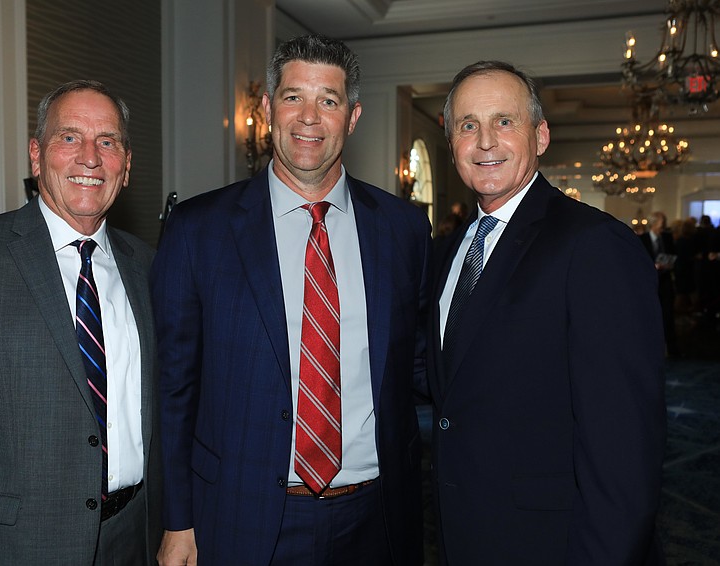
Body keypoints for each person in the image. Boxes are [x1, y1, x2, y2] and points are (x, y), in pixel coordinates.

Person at [151, 34, 430, 565]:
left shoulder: (404, 230)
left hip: (376, 518)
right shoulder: (198, 230)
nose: (309, 117)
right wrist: (177, 520)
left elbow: (416, 361)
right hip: (241, 516)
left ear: (352, 118)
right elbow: (174, 387)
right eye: (293, 96)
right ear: (266, 108)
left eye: (329, 100)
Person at [0, 80, 162, 565]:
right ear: (36, 156)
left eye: (108, 141)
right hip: (12, 549)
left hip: (132, 541)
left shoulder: (148, 267)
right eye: (69, 138)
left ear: (126, 166)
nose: (90, 157)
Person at [427, 61, 666, 564]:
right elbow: (453, 378)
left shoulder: (595, 245)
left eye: (504, 122)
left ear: (541, 136)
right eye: (468, 125)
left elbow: (623, 452)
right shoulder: (452, 249)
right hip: (466, 532)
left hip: (552, 544)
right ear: (452, 145)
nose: (485, 141)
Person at [640, 210, 679, 356]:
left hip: (665, 281)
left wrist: (669, 264)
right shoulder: (642, 239)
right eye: (661, 223)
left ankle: (672, 349)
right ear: (654, 224)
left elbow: (674, 255)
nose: (663, 226)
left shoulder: (667, 238)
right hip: (650, 283)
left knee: (668, 315)